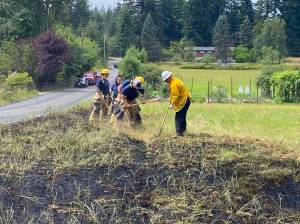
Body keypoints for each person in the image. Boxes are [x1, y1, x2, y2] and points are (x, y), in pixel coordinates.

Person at [161, 71, 191, 137]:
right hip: (186, 99)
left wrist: (172, 103)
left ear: (169, 77)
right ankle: (183, 132)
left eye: (166, 80)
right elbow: (175, 93)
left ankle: (179, 134)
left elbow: (176, 95)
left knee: (178, 117)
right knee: (182, 116)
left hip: (183, 101)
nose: (166, 81)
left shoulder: (173, 84)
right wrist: (170, 98)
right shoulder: (176, 80)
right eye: (165, 80)